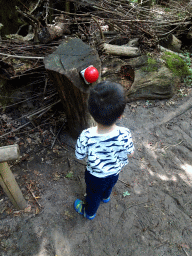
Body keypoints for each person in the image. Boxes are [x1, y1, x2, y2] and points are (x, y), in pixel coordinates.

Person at [74, 80, 134, 220]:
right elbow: (130, 153)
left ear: (91, 113)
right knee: (109, 185)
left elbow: (79, 155)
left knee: (93, 195)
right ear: (120, 115)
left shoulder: (86, 136)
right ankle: (106, 197)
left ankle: (89, 212)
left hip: (95, 176)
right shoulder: (125, 133)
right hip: (115, 171)